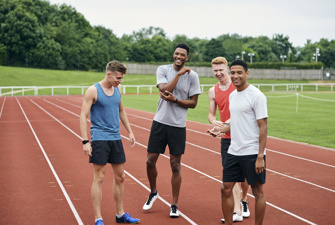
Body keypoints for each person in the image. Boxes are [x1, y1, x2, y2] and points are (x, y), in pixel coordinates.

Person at [142, 43, 201, 217]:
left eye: (183, 55)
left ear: (187, 57)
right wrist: (179, 74)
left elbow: (194, 103)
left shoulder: (193, 76)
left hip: (178, 126)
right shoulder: (163, 69)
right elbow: (165, 90)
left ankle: (174, 204)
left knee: (175, 165)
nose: (179, 57)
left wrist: (176, 101)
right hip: (160, 122)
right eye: (177, 54)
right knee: (149, 161)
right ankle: (153, 192)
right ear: (173, 54)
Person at [80, 61, 140, 225]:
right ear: (109, 74)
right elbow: (83, 116)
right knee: (99, 178)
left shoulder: (117, 89)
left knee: (120, 177)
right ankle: (98, 218)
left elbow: (121, 110)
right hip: (99, 138)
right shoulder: (93, 90)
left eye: (121, 78)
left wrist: (130, 131)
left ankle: (120, 215)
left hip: (116, 138)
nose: (120, 81)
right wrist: (85, 141)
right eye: (118, 77)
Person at [211, 59, 268, 225]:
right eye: (233, 72)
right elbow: (235, 123)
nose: (235, 76)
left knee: (257, 192)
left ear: (247, 73)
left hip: (252, 152)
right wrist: (219, 131)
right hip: (234, 151)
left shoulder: (257, 96)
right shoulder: (232, 95)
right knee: (225, 188)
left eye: (239, 72)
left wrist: (260, 156)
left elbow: (263, 128)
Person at [207, 57, 250, 223]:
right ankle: (237, 210)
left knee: (244, 177)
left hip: (242, 136)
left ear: (227, 69)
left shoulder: (237, 87)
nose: (218, 73)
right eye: (215, 71)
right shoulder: (213, 91)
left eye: (221, 70)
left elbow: (241, 112)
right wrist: (214, 122)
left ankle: (244, 200)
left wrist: (224, 125)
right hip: (226, 138)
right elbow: (211, 114)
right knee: (230, 174)